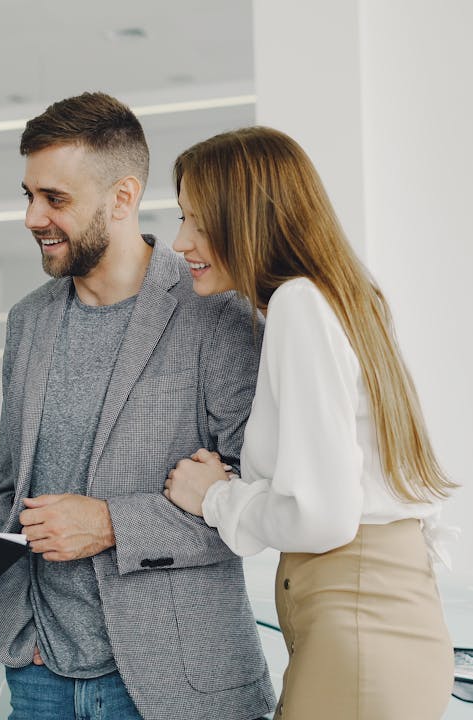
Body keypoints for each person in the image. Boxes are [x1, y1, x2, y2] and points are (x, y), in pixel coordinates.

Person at [0, 92, 276, 720]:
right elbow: (8, 492)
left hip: (176, 683)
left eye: (55, 199)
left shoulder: (217, 314)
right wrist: (4, 624)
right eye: (28, 195)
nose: (33, 217)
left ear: (122, 197)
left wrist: (112, 524)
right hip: (41, 677)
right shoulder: (28, 321)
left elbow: (260, 501)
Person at [164, 126, 456, 719]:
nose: (179, 242)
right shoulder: (344, 297)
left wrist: (216, 496)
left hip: (357, 623)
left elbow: (321, 516)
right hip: (378, 618)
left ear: (246, 219)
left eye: (197, 221)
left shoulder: (300, 305)